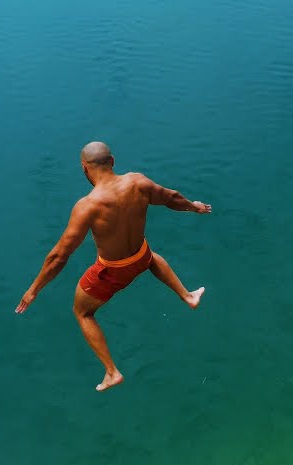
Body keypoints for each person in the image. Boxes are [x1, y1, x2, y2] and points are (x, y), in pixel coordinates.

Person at [15, 141, 212, 391]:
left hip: (112, 272)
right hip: (140, 256)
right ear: (113, 161)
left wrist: (33, 290)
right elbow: (171, 197)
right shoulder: (138, 182)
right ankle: (188, 296)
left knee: (82, 312)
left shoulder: (88, 206)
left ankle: (112, 372)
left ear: (84, 168)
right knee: (150, 256)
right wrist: (194, 207)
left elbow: (59, 256)